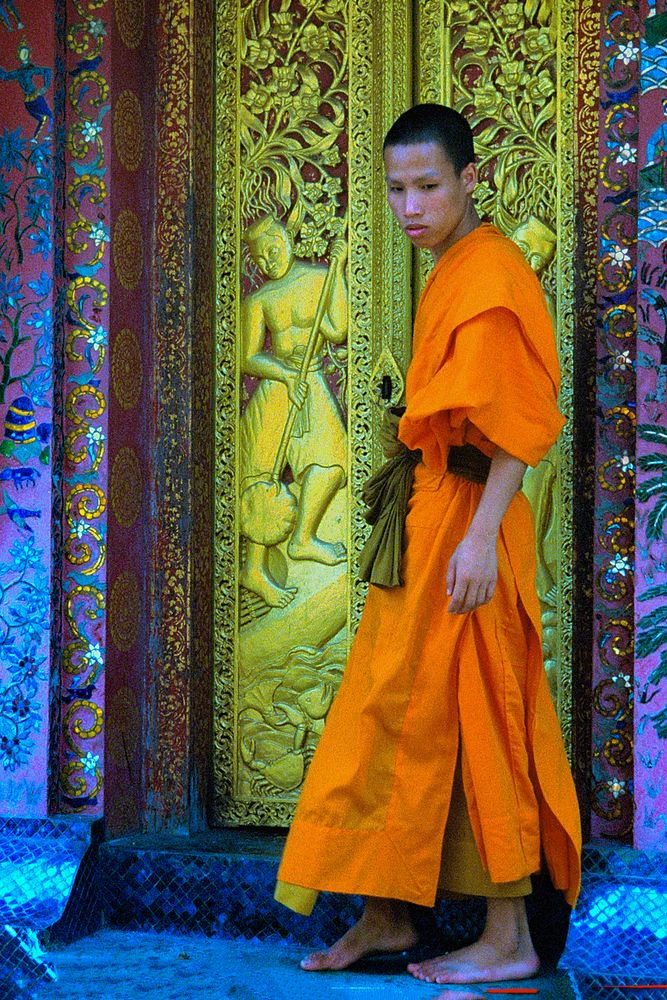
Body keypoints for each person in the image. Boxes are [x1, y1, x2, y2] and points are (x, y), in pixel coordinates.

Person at [274, 103, 581, 988]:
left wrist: (481, 539)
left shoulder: (492, 273)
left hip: (469, 523)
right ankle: (387, 914)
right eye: (396, 189)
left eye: (428, 186)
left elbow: (520, 428)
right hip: (433, 517)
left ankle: (508, 934)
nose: (410, 207)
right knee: (394, 709)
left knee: (483, 713)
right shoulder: (453, 266)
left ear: (471, 180)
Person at [239, 217, 348, 608]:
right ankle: (253, 568)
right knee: (261, 475)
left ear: (288, 237)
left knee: (334, 463)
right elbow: (248, 357)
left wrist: (337, 275)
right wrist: (284, 373)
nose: (270, 261)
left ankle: (303, 536)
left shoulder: (320, 277)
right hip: (277, 388)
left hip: (313, 382)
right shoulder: (259, 301)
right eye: (261, 258)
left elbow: (338, 330)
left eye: (274, 248)